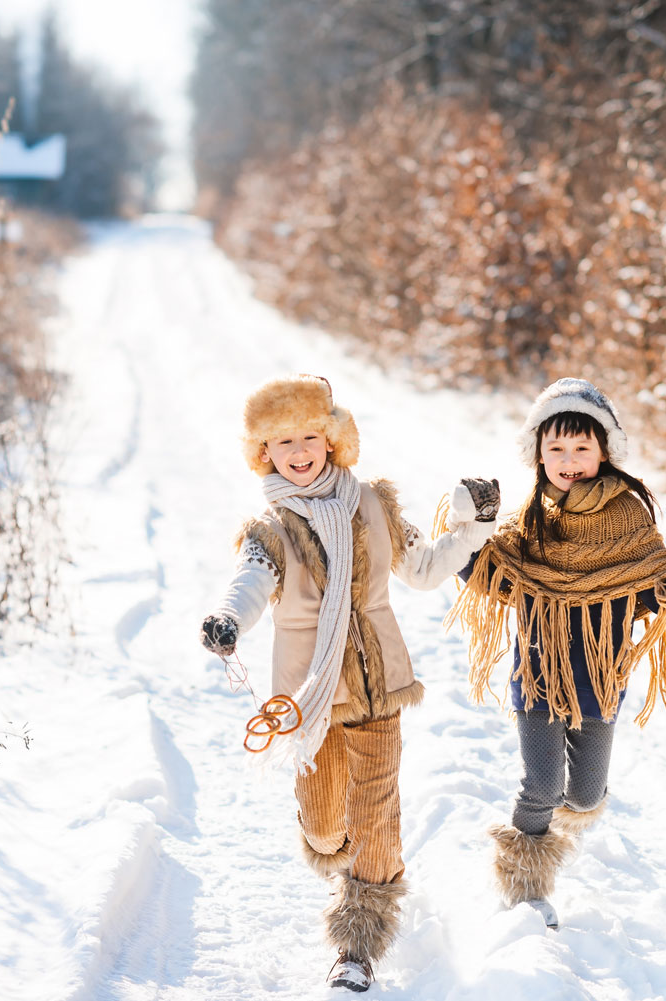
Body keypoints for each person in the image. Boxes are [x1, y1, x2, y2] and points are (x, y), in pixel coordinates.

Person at [448, 378, 666, 929]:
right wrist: (462, 543)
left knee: (583, 799)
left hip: (599, 678)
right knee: (541, 786)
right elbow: (495, 577)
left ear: (605, 451)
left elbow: (661, 581)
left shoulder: (629, 517)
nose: (569, 460)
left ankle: (562, 819)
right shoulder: (530, 519)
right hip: (538, 673)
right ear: (537, 453)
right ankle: (525, 889)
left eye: (582, 448)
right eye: (556, 448)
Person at [199, 374, 501, 992]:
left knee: (375, 808)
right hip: (309, 698)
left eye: (311, 435)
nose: (300, 450)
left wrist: (474, 528)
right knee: (323, 823)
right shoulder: (271, 532)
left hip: (378, 685)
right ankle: (335, 847)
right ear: (265, 454)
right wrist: (228, 619)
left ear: (332, 440)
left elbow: (423, 568)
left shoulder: (374, 505)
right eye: (284, 442)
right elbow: (250, 584)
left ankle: (357, 945)